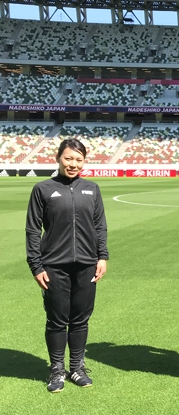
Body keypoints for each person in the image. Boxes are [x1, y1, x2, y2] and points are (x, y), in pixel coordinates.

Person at [26, 139, 109, 393]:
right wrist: (36, 266)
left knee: (81, 319)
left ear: (84, 161)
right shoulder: (43, 189)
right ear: (58, 158)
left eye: (79, 159)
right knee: (56, 320)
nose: (73, 164)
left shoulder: (92, 189)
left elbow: (99, 226)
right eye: (69, 159)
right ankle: (56, 370)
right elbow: (32, 229)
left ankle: (76, 367)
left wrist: (102, 256)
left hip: (87, 265)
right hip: (53, 266)